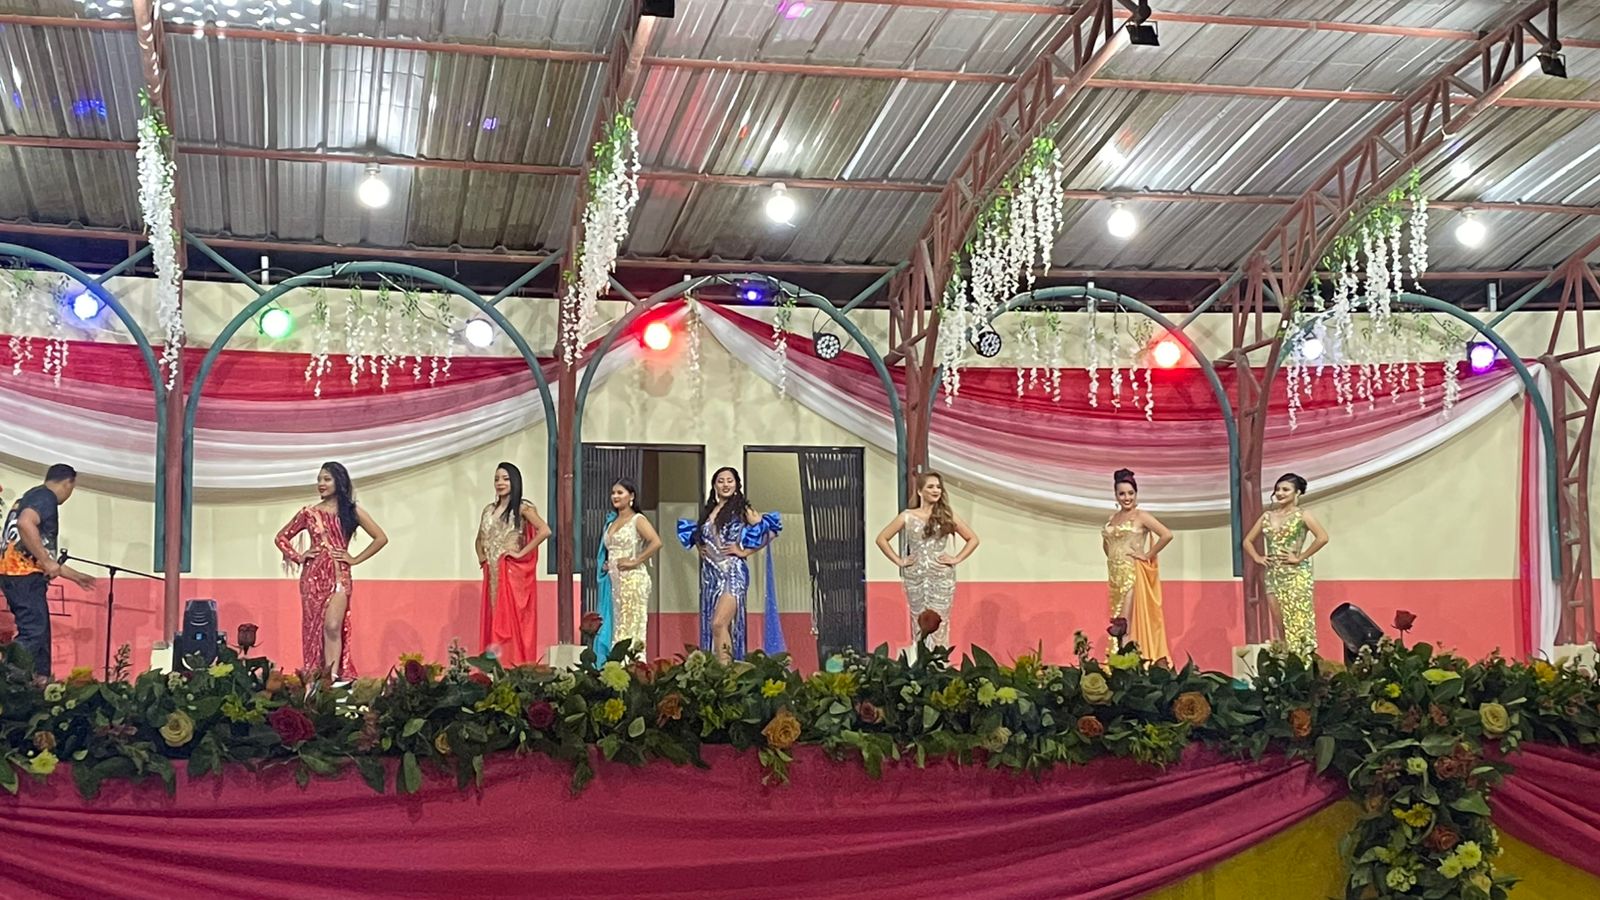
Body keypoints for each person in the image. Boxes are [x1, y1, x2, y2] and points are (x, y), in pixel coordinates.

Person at [274, 462, 388, 678]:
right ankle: (315, 679)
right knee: (313, 630)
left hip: (339, 576)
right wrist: (299, 556)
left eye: (327, 479)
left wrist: (354, 559)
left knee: (333, 626)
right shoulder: (309, 513)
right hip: (312, 579)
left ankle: (333, 679)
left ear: (339, 481)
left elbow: (380, 538)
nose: (321, 484)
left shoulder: (352, 511)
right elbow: (281, 537)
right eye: (319, 479)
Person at [677, 467, 780, 663]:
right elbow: (699, 534)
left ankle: (726, 670)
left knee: (719, 623)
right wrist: (700, 547)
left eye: (729, 480)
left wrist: (744, 551)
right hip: (711, 575)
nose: (725, 484)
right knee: (714, 626)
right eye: (721, 481)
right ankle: (720, 666)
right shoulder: (710, 511)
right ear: (714, 485)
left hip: (732, 573)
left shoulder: (742, 509)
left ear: (736, 484)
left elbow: (771, 531)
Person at [1, 464, 96, 675]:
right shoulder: (45, 497)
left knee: (40, 636)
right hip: (23, 577)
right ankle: (6, 678)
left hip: (16, 575)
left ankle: (39, 682)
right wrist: (47, 561)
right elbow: (25, 524)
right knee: (33, 633)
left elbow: (32, 551)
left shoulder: (30, 496)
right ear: (69, 483)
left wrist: (75, 576)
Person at [874, 470, 978, 649]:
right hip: (915, 578)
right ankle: (921, 662)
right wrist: (899, 561)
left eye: (938, 487)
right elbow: (882, 538)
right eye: (930, 487)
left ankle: (939, 661)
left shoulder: (947, 515)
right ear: (920, 491)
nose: (936, 490)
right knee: (919, 622)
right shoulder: (907, 516)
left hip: (941, 578)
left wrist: (956, 558)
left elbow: (973, 539)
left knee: (940, 623)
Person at [1243, 472, 1329, 658]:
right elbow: (1247, 541)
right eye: (1277, 489)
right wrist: (1258, 557)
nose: (1280, 493)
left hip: (1296, 574)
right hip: (1273, 574)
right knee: (1279, 622)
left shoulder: (1303, 515)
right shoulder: (1267, 516)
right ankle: (1286, 661)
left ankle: (1304, 662)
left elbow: (1322, 537)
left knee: (1298, 622)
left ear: (1297, 493)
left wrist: (1300, 557)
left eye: (1285, 489)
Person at [475, 462, 550, 666]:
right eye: (497, 479)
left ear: (515, 481)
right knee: (493, 619)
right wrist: (482, 557)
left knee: (511, 623)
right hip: (492, 574)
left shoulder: (522, 508)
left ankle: (512, 666)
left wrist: (520, 554)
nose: (500, 483)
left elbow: (545, 530)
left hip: (511, 575)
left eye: (505, 479)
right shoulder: (488, 510)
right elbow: (479, 538)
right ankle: (493, 669)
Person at [1102, 468, 1172, 661]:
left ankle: (1126, 665)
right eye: (1122, 494)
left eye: (1130, 493)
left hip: (1132, 575)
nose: (1127, 498)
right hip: (1115, 577)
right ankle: (1119, 664)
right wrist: (1114, 558)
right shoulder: (1112, 518)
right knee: (1118, 620)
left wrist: (1147, 554)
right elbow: (1107, 544)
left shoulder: (1141, 516)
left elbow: (1166, 535)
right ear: (1116, 495)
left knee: (1123, 624)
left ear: (1136, 493)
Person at [593, 478, 662, 659]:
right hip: (614, 582)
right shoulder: (612, 522)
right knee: (617, 626)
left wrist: (635, 560)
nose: (615, 496)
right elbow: (611, 550)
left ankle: (633, 667)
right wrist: (608, 564)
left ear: (631, 496)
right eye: (613, 493)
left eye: (620, 493)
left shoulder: (637, 519)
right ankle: (616, 666)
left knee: (630, 628)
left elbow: (656, 542)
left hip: (632, 581)